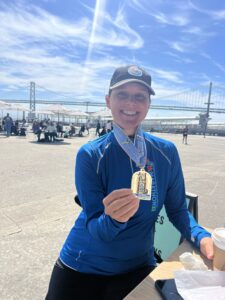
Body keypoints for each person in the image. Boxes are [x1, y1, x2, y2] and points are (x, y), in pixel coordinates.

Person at [46, 65, 213, 300]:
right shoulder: (90, 155)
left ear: (148, 104)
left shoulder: (166, 152)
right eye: (122, 94)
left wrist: (200, 236)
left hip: (138, 266)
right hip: (82, 265)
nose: (131, 104)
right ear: (108, 100)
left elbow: (176, 209)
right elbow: (96, 227)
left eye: (139, 97)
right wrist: (113, 219)